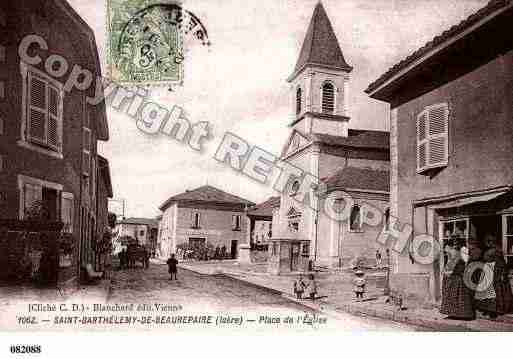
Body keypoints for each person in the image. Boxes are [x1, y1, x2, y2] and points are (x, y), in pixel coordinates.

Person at [440, 238, 475, 320]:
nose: (445, 250)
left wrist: (447, 272)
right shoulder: (454, 253)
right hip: (454, 276)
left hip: (456, 277)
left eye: (446, 247)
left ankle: (462, 314)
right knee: (453, 296)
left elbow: (453, 266)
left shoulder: (457, 253)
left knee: (457, 296)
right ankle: (454, 314)